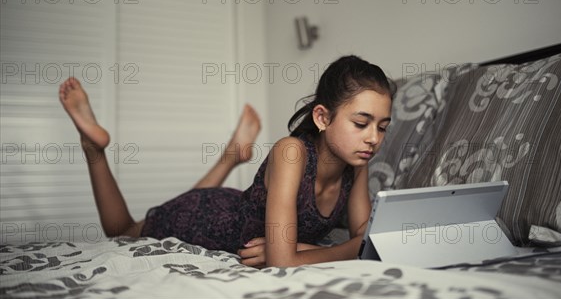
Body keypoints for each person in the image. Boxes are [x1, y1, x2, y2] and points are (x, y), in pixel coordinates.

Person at [59, 55, 395, 268]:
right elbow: (285, 261)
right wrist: (352, 248)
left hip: (235, 204)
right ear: (323, 118)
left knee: (180, 204)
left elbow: (364, 233)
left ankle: (233, 154)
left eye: (382, 127)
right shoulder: (291, 152)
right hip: (211, 219)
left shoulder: (357, 164)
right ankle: (94, 147)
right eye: (360, 123)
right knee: (122, 231)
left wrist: (310, 246)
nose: (373, 139)